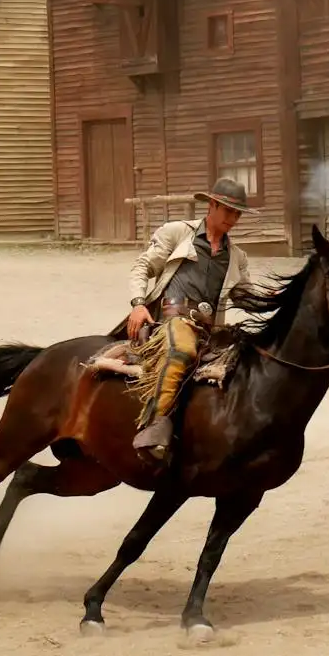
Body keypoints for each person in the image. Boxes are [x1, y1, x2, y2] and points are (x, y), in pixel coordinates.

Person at [125, 178, 253, 464]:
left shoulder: (237, 256)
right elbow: (142, 266)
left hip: (213, 328)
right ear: (212, 205)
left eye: (238, 214)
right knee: (182, 350)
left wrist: (274, 295)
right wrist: (138, 304)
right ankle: (154, 426)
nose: (233, 219)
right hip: (174, 318)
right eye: (228, 211)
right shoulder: (177, 233)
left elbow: (246, 295)